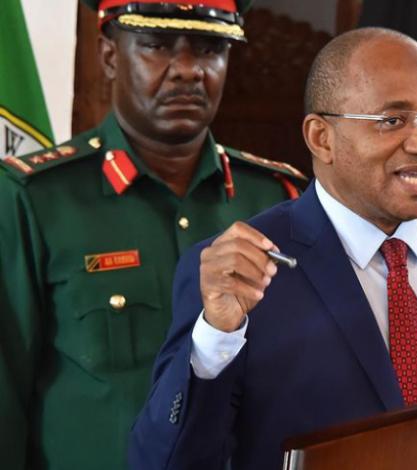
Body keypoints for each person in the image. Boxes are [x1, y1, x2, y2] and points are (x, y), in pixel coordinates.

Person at [129, 27, 417, 470]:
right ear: (321, 138)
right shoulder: (242, 273)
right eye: (392, 120)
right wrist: (216, 337)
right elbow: (164, 462)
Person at [0, 1, 305, 469]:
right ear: (109, 56)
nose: (187, 70)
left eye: (209, 48)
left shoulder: (275, 198)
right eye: (157, 45)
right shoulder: (36, 199)